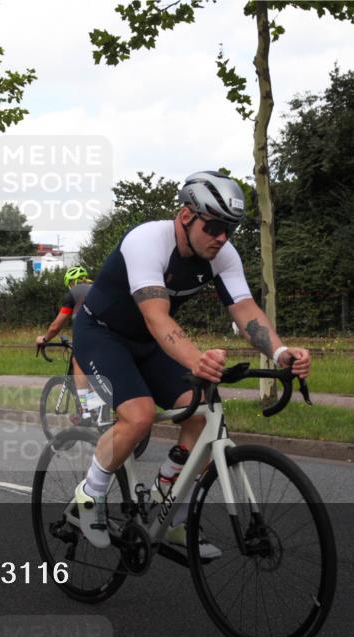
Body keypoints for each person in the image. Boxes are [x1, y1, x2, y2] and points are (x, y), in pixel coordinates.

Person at [71, 170, 312, 556]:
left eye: (229, 230)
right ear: (186, 216)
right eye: (214, 226)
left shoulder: (222, 255)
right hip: (103, 334)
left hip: (149, 343)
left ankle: (172, 513)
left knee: (201, 417)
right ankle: (89, 495)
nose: (222, 238)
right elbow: (157, 316)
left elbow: (245, 310)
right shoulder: (147, 241)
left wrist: (282, 352)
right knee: (139, 415)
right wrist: (198, 359)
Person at [35, 266, 103, 422]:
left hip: (91, 337)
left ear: (71, 283)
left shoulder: (75, 292)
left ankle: (87, 412)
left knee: (78, 361)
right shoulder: (99, 287)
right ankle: (97, 411)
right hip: (113, 336)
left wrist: (44, 339)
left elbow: (56, 326)